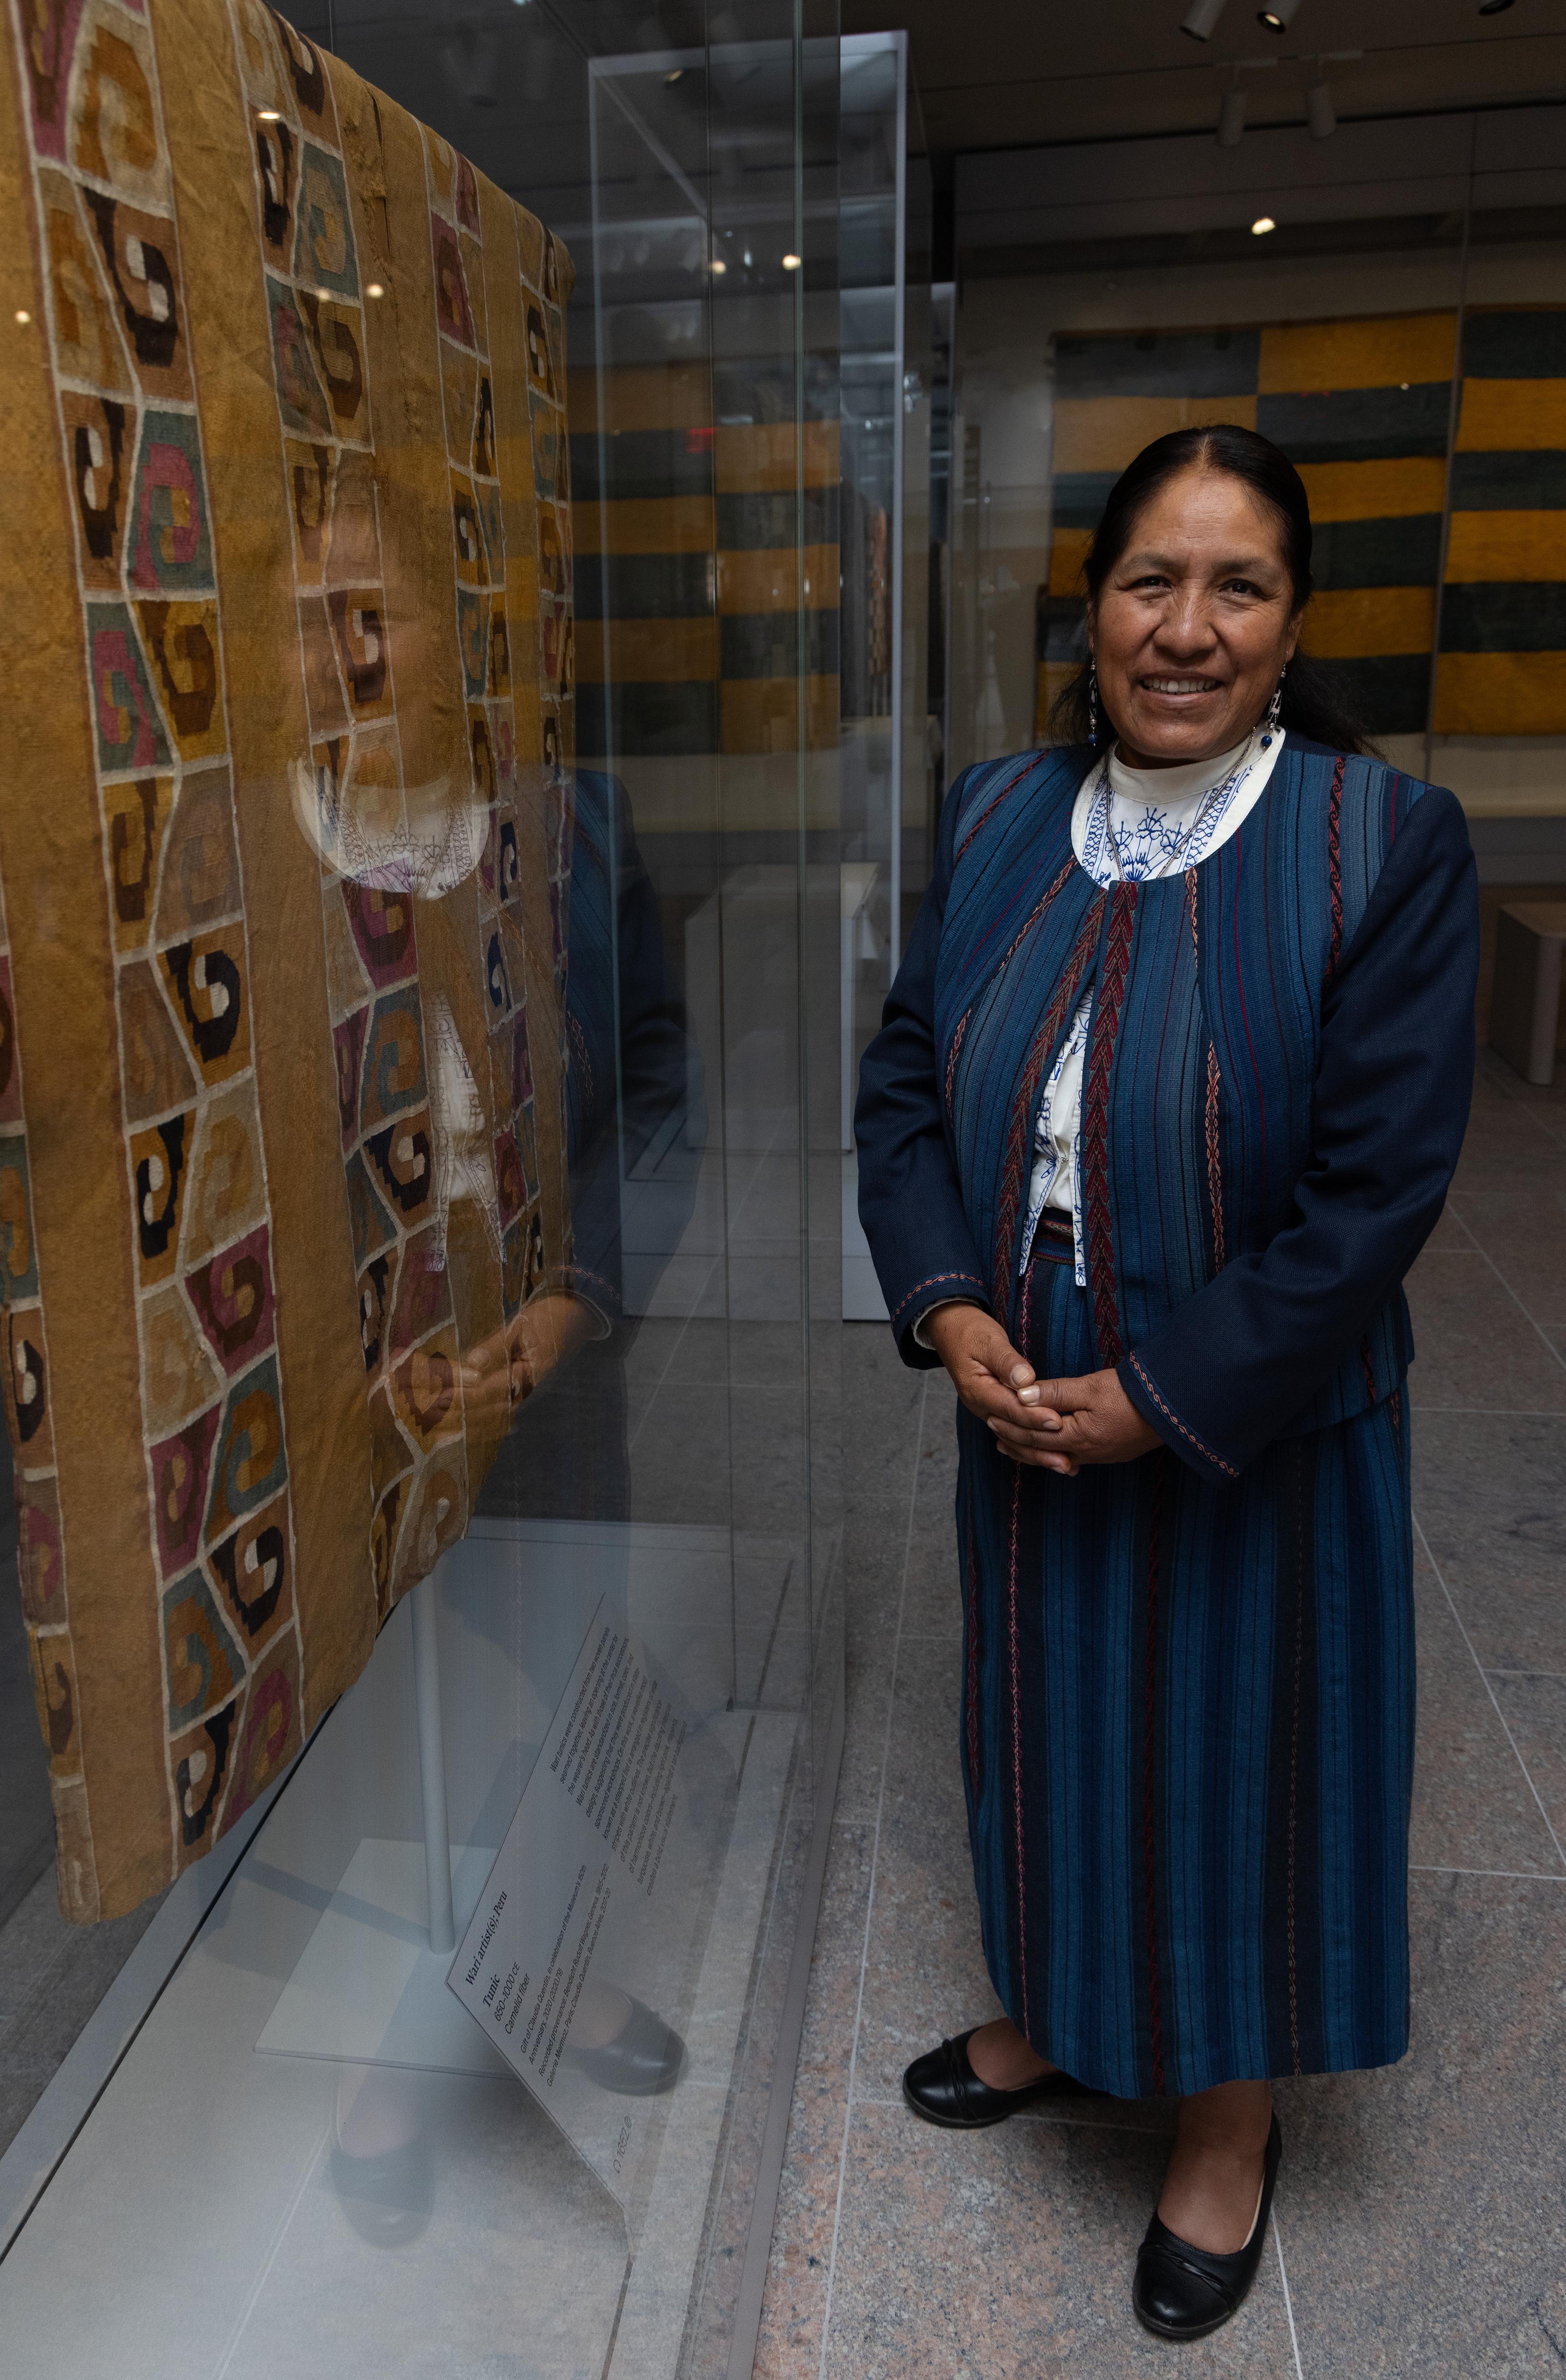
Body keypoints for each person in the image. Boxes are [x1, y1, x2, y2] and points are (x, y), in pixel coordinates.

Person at [854, 423, 1478, 2342]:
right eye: (1149, 579)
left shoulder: (1378, 843)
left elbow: (1371, 1191)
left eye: (1236, 587)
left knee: (1239, 1749)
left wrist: (1165, 1389)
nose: (1184, 626)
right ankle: (1060, 2006)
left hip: (1250, 1397)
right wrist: (953, 1304)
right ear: (1090, 605)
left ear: (1291, 628)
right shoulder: (985, 816)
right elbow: (898, 1087)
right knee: (1046, 1715)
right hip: (1023, 1366)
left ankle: (1221, 2114)